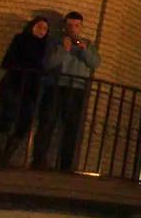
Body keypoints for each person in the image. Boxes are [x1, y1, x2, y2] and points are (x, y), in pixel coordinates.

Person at [34, 11, 100, 170]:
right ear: (64, 25)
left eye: (76, 25)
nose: (73, 28)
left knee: (71, 127)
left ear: (81, 27)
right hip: (55, 86)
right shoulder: (55, 41)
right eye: (70, 25)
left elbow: (95, 64)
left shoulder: (88, 44)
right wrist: (64, 49)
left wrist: (83, 50)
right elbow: (48, 63)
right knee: (47, 123)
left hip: (76, 89)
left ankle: (65, 165)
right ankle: (38, 161)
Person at [0, 16, 50, 166]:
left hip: (30, 88)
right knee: (7, 116)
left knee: (25, 121)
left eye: (45, 29)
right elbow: (7, 60)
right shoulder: (21, 40)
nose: (42, 31)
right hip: (13, 83)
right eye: (39, 27)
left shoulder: (45, 46)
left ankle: (6, 156)